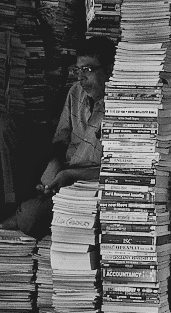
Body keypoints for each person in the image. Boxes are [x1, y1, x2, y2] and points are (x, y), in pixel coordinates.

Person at [1, 36, 115, 239]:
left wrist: (71, 175)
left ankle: (22, 215)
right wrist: (54, 166)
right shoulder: (76, 93)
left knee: (31, 218)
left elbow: (120, 171)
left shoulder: (123, 107)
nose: (81, 78)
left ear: (109, 69)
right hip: (66, 176)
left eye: (87, 70)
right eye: (77, 70)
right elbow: (60, 139)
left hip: (93, 183)